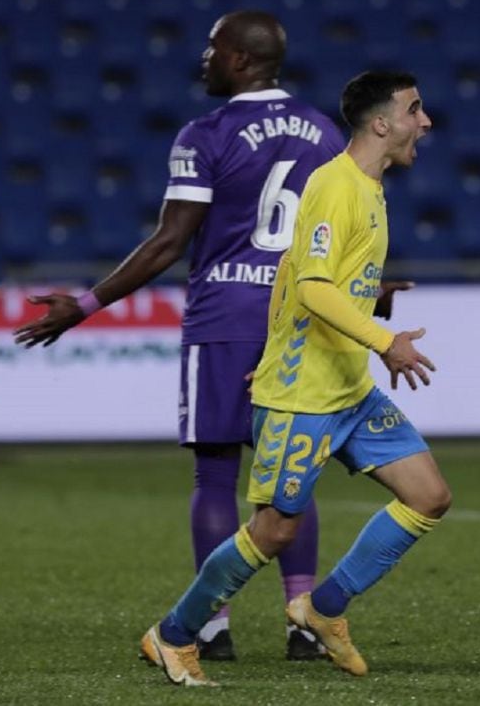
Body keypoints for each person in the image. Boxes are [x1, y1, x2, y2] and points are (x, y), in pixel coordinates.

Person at [12, 11, 367, 661]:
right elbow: (343, 234)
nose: (201, 59)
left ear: (238, 60)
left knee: (215, 474)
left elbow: (170, 241)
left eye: (211, 49)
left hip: (224, 320)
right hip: (299, 324)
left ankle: (210, 625)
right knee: (291, 478)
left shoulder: (206, 134)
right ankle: (302, 622)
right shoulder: (323, 132)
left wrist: (86, 303)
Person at [140, 70, 450, 688]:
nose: (426, 121)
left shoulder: (367, 186)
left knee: (428, 495)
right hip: (303, 396)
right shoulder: (336, 185)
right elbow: (312, 285)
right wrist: (386, 341)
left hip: (348, 388)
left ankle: (323, 609)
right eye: (415, 109)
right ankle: (173, 635)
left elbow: (292, 271)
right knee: (274, 530)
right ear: (381, 122)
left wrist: (286, 336)